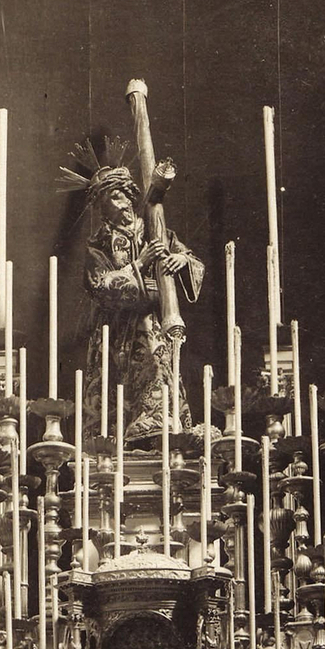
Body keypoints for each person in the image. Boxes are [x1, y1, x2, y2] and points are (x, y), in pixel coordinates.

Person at [77, 155, 203, 441]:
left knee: (158, 367)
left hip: (154, 321)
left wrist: (181, 261)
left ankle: (158, 430)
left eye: (120, 195)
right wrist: (140, 263)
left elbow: (188, 257)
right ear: (102, 208)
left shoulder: (155, 227)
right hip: (118, 328)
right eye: (108, 200)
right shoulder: (99, 242)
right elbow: (100, 285)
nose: (117, 203)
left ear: (131, 196)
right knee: (117, 393)